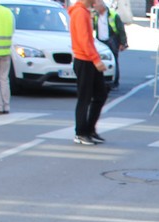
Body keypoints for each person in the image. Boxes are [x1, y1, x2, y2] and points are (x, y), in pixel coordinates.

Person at [69, 0, 108, 144]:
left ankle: (89, 129)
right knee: (84, 98)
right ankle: (81, 132)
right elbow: (84, 40)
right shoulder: (80, 12)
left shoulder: (84, 12)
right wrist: (96, 59)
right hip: (84, 59)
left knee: (100, 95)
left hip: (87, 59)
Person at [93, 2, 127, 90]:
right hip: (100, 41)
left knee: (114, 61)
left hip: (111, 40)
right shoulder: (96, 15)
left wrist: (123, 43)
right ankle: (101, 81)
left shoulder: (113, 15)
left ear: (102, 7)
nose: (95, 8)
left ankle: (115, 82)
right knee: (100, 61)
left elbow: (121, 30)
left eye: (96, 6)